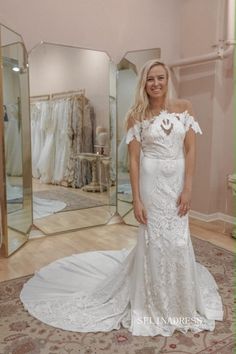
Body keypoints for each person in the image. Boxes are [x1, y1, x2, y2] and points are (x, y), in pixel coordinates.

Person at [20, 59, 223, 337]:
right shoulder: (135, 115)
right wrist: (136, 200)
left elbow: (191, 150)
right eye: (150, 79)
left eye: (160, 78)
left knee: (177, 239)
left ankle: (180, 300)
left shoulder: (184, 108)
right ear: (144, 83)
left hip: (176, 184)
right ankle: (152, 302)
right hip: (151, 185)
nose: (156, 84)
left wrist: (188, 187)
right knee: (153, 240)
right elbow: (134, 161)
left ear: (167, 80)